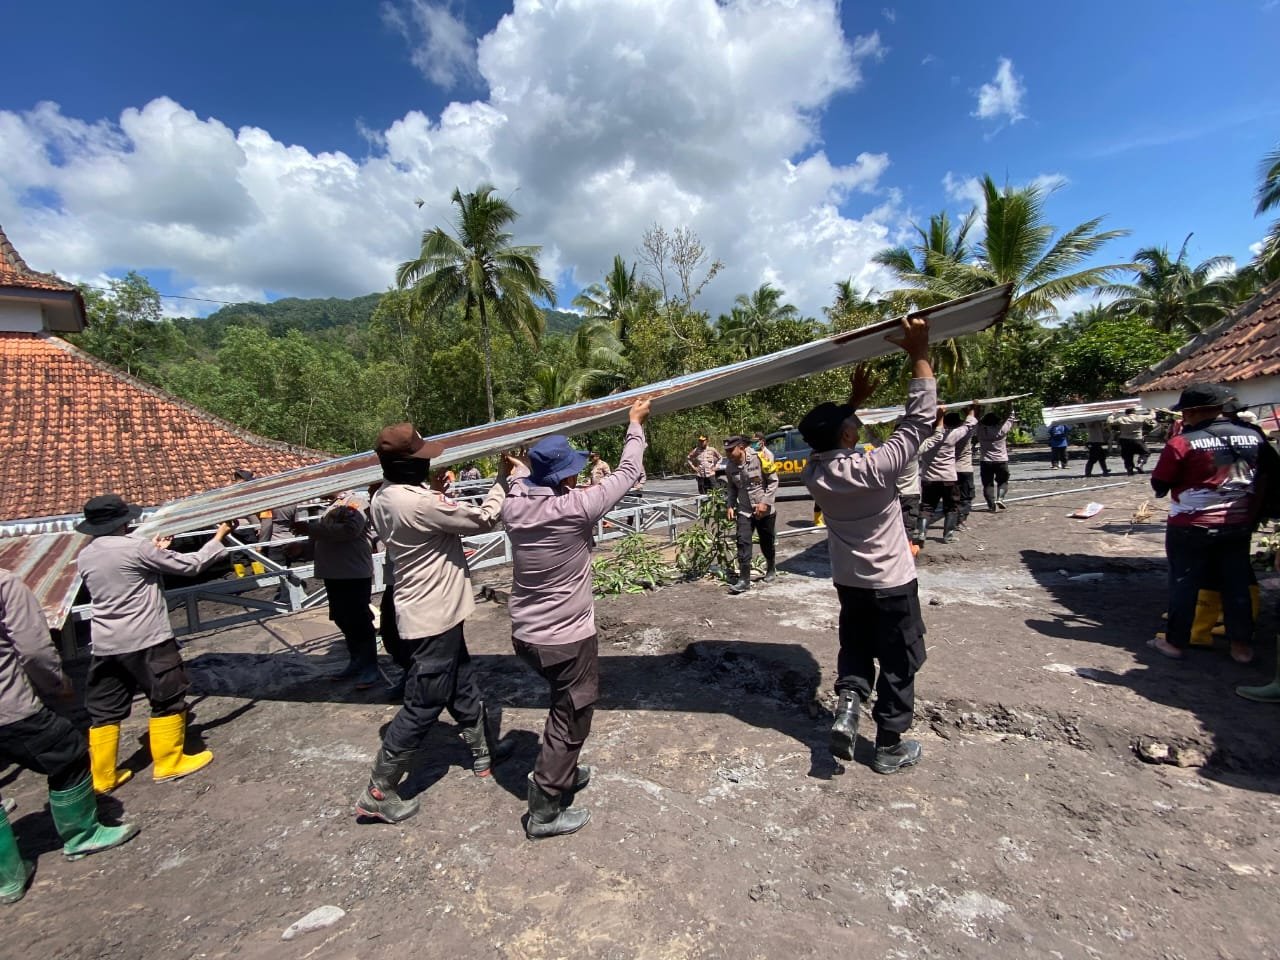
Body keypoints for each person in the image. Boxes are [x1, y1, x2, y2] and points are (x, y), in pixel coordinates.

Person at [502, 398, 651, 838]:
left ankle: (562, 772)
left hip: (526, 633)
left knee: (561, 702)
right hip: (565, 636)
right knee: (572, 713)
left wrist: (517, 468)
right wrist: (635, 424)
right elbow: (627, 474)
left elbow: (516, 481)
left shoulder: (514, 503)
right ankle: (545, 808)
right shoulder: (575, 508)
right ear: (564, 475)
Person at [355, 425, 516, 824]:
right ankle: (379, 790)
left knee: (462, 681)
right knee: (423, 702)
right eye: (423, 458)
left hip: (432, 609)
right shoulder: (418, 504)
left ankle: (482, 755)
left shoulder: (383, 496)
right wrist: (503, 481)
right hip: (432, 614)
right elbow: (483, 519)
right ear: (409, 466)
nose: (429, 461)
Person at [798, 314, 936, 774]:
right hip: (892, 583)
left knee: (856, 648)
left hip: (850, 583)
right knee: (900, 659)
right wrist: (919, 351)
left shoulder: (814, 475)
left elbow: (826, 442)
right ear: (848, 435)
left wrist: (851, 403)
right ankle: (890, 745)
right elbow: (920, 419)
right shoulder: (876, 470)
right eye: (853, 422)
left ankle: (849, 705)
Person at [0, 569, 139, 904]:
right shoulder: (4, 582)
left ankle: (7, 880)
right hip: (7, 706)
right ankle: (83, 834)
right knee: (68, 751)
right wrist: (55, 683)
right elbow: (33, 649)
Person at [75, 494, 233, 790]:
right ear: (125, 521)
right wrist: (219, 536)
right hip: (146, 638)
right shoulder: (136, 547)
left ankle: (103, 776)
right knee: (167, 695)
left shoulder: (87, 554)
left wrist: (155, 551)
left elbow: (124, 572)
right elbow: (190, 566)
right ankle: (169, 762)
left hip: (106, 643)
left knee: (105, 707)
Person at [1148, 383, 1267, 664]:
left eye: (1185, 413)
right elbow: (1269, 474)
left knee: (1184, 583)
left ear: (1192, 412)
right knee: (1236, 583)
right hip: (1237, 523)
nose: (1184, 418)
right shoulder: (1254, 436)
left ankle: (1175, 643)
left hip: (1191, 525)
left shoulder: (1183, 442)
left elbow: (1160, 483)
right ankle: (1241, 648)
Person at [294, 493, 379, 689]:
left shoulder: (356, 502)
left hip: (352, 571)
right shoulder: (332, 505)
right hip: (334, 572)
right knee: (342, 618)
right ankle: (356, 660)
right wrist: (304, 549)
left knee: (359, 620)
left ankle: (369, 666)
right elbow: (325, 537)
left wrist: (310, 528)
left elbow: (350, 530)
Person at [723, 434, 780, 593]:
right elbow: (732, 488)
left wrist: (765, 503)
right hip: (745, 511)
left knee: (766, 541)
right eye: (726, 451)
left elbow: (773, 481)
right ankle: (744, 580)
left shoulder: (761, 457)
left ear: (741, 447)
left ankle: (771, 567)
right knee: (743, 542)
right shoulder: (730, 467)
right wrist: (730, 505)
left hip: (764, 510)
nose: (728, 454)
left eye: (730, 450)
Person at [917, 410, 967, 544]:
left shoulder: (925, 437)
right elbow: (968, 425)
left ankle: (921, 533)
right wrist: (973, 409)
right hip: (948, 479)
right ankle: (948, 535)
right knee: (951, 507)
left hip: (929, 478)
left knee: (927, 506)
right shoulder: (952, 434)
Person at [976, 409, 1017, 510]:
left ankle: (991, 505)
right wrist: (1010, 406)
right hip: (1001, 460)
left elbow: (974, 420)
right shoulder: (1001, 429)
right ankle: (1000, 498)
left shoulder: (980, 430)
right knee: (1003, 481)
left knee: (987, 484)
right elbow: (1010, 418)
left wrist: (975, 409)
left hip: (985, 461)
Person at [947, 407, 979, 529]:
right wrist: (970, 411)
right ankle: (960, 520)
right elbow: (972, 423)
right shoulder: (964, 433)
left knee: (953, 497)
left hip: (949, 470)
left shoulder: (942, 436)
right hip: (964, 469)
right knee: (966, 496)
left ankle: (953, 519)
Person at [1108, 408, 1156, 475]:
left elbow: (1110, 422)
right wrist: (1152, 410)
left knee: (1127, 456)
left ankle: (1130, 470)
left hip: (1124, 440)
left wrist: (1112, 415)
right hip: (1137, 439)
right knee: (1145, 452)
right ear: (1135, 412)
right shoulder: (1140, 417)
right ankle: (1140, 463)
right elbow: (1152, 416)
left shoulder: (1122, 419)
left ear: (1126, 413)